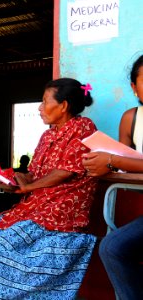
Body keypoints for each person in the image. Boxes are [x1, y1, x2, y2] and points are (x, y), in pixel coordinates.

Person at [0, 78, 97, 299]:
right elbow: (35, 172)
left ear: (64, 105)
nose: (39, 108)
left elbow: (64, 172)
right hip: (33, 209)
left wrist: (29, 186)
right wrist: (18, 177)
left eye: (44, 101)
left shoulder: (83, 127)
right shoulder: (47, 135)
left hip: (59, 214)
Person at [82, 54, 143, 300]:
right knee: (112, 247)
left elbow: (119, 160)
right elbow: (122, 163)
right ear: (134, 87)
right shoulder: (132, 118)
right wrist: (104, 166)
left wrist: (114, 162)